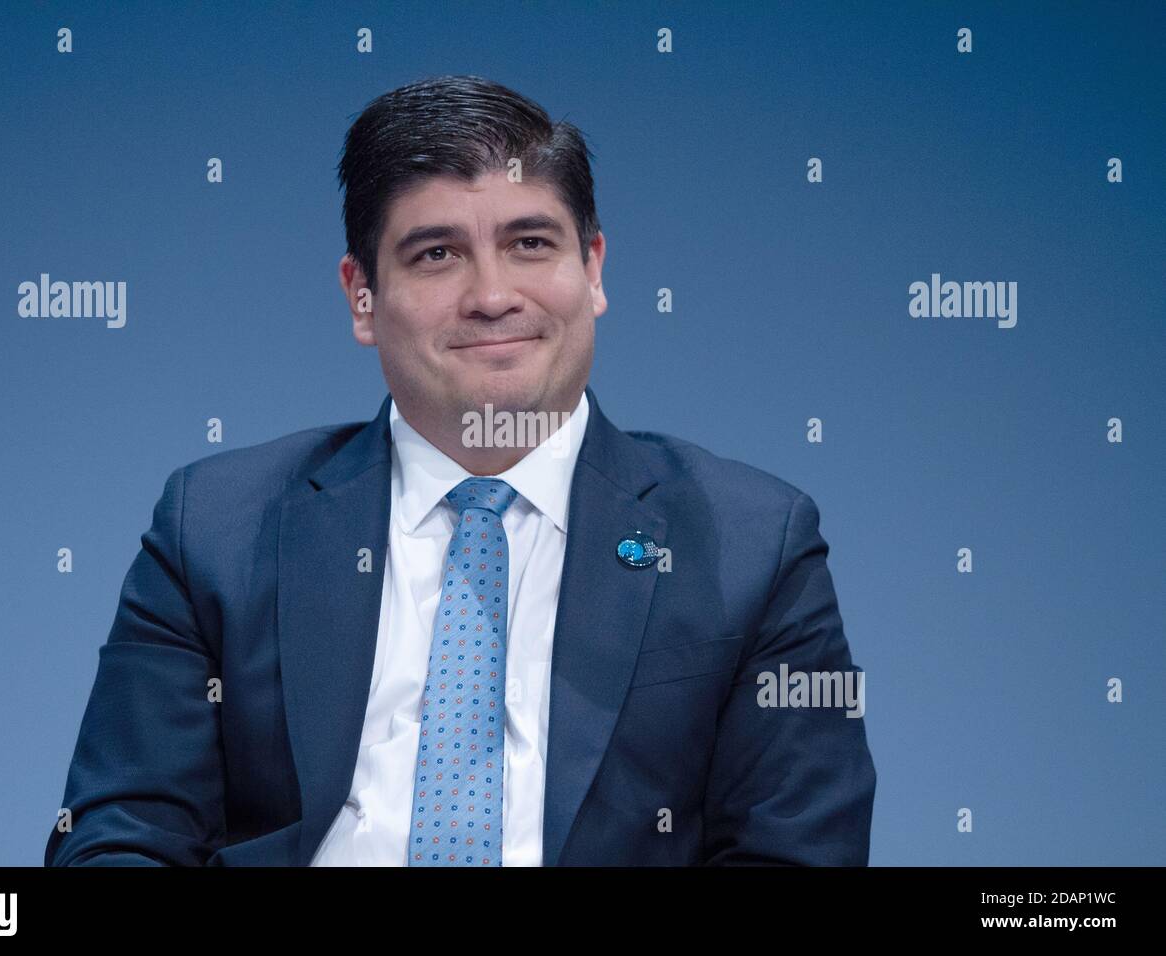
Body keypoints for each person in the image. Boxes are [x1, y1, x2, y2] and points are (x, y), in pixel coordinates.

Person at [45, 74, 875, 867]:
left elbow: (794, 852)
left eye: (530, 244)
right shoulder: (215, 529)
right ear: (361, 296)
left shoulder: (751, 544)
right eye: (437, 254)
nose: (491, 294)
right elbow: (121, 833)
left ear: (593, 270)